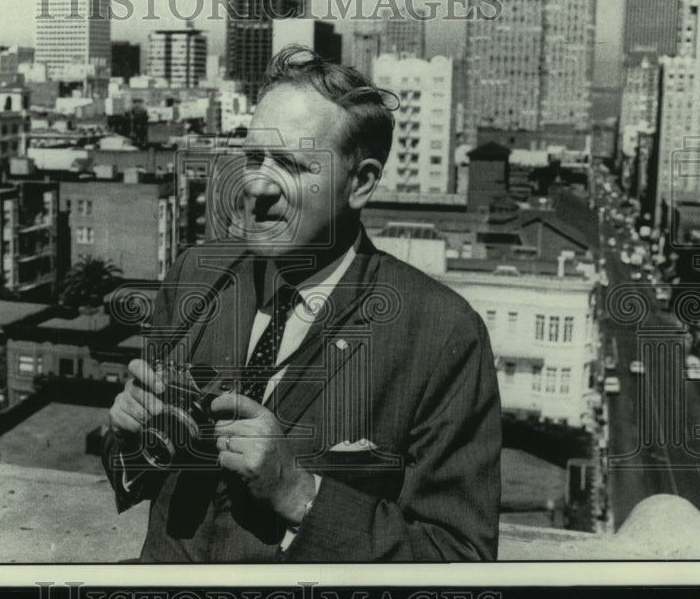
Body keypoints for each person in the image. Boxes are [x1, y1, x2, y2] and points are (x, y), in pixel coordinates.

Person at [103, 45, 501, 562]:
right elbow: (134, 472)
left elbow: (457, 558)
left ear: (360, 184)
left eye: (290, 164)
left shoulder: (441, 333)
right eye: (253, 158)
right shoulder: (195, 278)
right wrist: (131, 438)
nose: (258, 185)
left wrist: (299, 493)